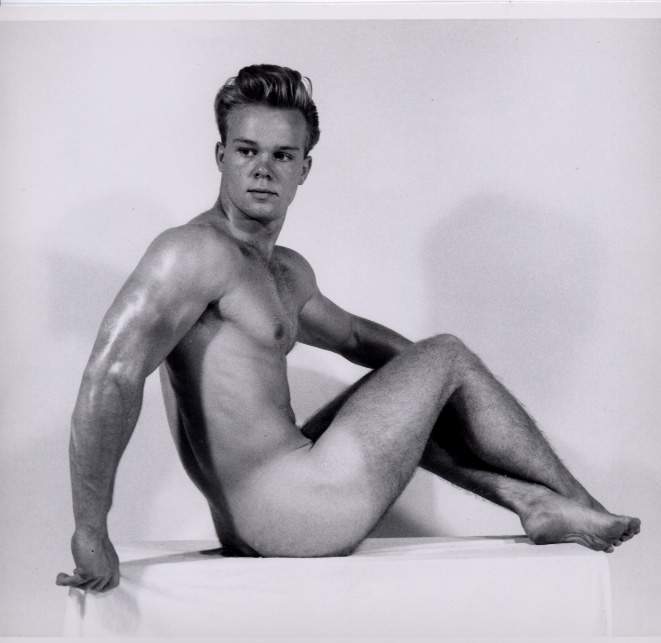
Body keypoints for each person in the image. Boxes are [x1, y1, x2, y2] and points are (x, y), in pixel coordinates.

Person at [56, 64, 640, 593]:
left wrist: (434, 393)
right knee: (448, 354)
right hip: (296, 513)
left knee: (417, 380)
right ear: (221, 156)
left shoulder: (284, 271)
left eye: (283, 156)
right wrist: (90, 528)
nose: (262, 169)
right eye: (246, 150)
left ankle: (532, 501)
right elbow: (112, 375)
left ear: (304, 169)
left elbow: (356, 337)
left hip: (264, 515)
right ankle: (580, 503)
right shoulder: (192, 252)